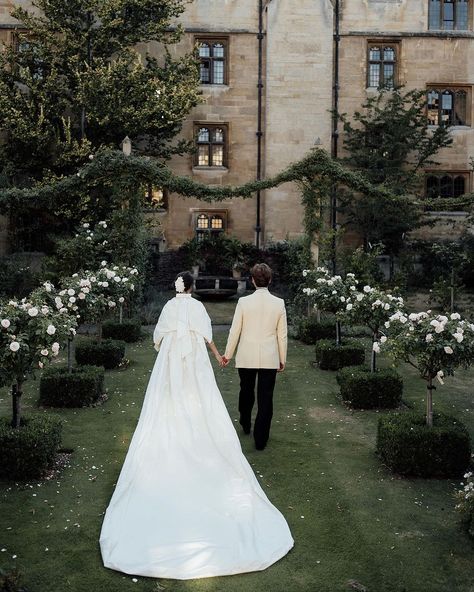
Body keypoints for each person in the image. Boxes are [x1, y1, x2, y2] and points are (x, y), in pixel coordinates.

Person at [99, 271, 293, 580]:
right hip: (210, 358)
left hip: (173, 358)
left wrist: (172, 344)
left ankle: (199, 420)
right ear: (192, 287)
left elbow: (158, 336)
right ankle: (243, 431)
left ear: (178, 288)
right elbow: (207, 335)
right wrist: (218, 354)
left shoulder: (168, 307)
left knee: (169, 396)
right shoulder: (199, 307)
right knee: (205, 396)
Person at [222, 263, 287, 451]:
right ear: (270, 280)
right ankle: (260, 439)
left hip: (246, 355)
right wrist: (282, 358)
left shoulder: (244, 302)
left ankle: (245, 421)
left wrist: (228, 354)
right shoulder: (278, 303)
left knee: (246, 390)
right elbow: (282, 335)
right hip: (269, 356)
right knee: (265, 398)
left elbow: (235, 331)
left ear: (252, 280)